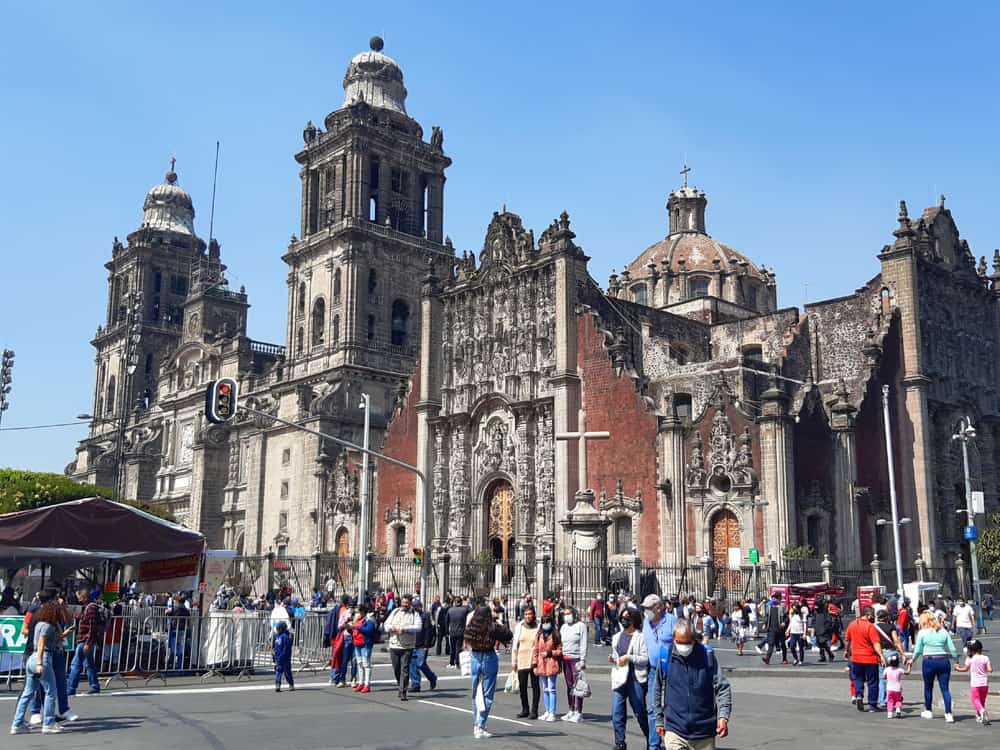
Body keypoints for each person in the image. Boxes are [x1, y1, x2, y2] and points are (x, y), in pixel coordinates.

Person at [653, 620, 732, 750]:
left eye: (688, 643)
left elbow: (723, 688)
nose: (684, 646)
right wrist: (659, 719)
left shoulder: (707, 656)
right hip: (675, 730)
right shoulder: (666, 656)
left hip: (704, 731)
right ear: (674, 639)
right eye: (680, 642)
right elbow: (657, 688)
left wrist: (723, 717)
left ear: (694, 639)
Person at [10, 601, 63, 734]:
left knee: (28, 692)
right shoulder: (48, 626)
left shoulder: (39, 624)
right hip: (42, 658)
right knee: (50, 691)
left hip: (32, 658)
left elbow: (55, 638)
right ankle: (48, 723)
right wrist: (40, 663)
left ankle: (17, 723)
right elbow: (41, 644)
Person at [465, 605, 512, 739]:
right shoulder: (492, 626)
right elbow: (508, 634)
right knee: (488, 693)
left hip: (474, 656)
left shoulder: (471, 626)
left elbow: (467, 640)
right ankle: (480, 724)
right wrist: (497, 621)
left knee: (476, 692)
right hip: (488, 656)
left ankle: (477, 723)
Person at [907, 610, 958, 722]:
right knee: (945, 688)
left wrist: (912, 660)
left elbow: (918, 650)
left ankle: (928, 711)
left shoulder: (922, 633)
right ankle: (948, 713)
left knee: (928, 687)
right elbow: (953, 649)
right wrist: (957, 661)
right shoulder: (943, 631)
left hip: (929, 661)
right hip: (943, 660)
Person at [641, 594, 677, 750]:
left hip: (672, 671)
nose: (646, 611)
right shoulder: (645, 624)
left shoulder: (672, 621)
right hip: (653, 671)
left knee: (672, 708)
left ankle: (674, 743)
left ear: (658, 608)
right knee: (652, 708)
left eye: (648, 608)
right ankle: (654, 745)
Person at [610, 607, 649, 750]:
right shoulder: (617, 636)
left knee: (640, 711)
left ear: (634, 620)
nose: (623, 620)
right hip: (620, 677)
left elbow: (645, 659)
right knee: (617, 712)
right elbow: (616, 655)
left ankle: (651, 739)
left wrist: (629, 658)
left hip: (635, 678)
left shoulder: (641, 637)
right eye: (622, 617)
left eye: (627, 617)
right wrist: (613, 659)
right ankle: (620, 742)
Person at [845, 605, 884, 713]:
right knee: (873, 682)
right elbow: (876, 643)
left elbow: (847, 640)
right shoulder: (870, 627)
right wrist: (881, 655)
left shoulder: (852, 625)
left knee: (858, 678)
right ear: (868, 615)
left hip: (856, 658)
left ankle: (858, 695)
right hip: (870, 658)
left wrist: (847, 651)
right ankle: (872, 705)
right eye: (872, 616)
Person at [382, 594, 422, 701]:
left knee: (405, 669)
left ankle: (403, 691)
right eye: (403, 603)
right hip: (394, 645)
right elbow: (386, 625)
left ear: (410, 604)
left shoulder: (415, 614)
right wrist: (393, 628)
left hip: (407, 646)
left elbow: (418, 627)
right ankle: (400, 685)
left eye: (407, 603)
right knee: (396, 669)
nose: (404, 605)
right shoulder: (395, 612)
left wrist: (405, 629)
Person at [67, 584, 105, 695]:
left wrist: (88, 643)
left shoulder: (91, 608)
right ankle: (94, 685)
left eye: (80, 596)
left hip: (85, 640)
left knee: (76, 664)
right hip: (86, 640)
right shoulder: (89, 607)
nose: (78, 598)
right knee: (89, 663)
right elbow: (87, 621)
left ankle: (71, 688)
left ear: (85, 597)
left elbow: (92, 626)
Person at [559, 604, 588, 722]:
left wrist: (583, 660)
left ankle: (578, 711)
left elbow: (584, 643)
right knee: (569, 685)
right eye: (565, 614)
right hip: (565, 658)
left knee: (578, 685)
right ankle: (571, 709)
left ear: (574, 614)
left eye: (569, 614)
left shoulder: (581, 626)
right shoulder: (563, 627)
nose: (567, 616)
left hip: (576, 659)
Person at [511, 605, 541, 719]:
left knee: (535, 686)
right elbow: (515, 645)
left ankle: (534, 710)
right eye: (526, 614)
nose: (528, 616)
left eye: (530, 614)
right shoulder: (519, 627)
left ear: (533, 614)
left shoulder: (539, 626)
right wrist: (514, 662)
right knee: (522, 687)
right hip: (521, 659)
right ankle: (525, 709)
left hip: (534, 660)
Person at [532, 613, 563, 722]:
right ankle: (547, 710)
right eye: (544, 622)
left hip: (551, 663)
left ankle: (552, 712)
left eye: (548, 622)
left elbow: (560, 650)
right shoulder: (539, 635)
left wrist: (549, 653)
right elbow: (535, 650)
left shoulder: (555, 635)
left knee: (552, 689)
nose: (546, 624)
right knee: (545, 689)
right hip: (541, 664)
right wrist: (534, 664)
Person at [955, 638, 992, 724]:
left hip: (975, 684)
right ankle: (979, 716)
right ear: (981, 648)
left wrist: (957, 668)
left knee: (975, 699)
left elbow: (965, 669)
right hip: (985, 683)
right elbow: (990, 669)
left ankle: (982, 711)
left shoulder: (970, 659)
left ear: (971, 650)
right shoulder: (986, 658)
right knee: (982, 700)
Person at [873, 609, 904, 709]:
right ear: (886, 617)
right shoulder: (891, 626)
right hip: (891, 652)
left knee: (882, 677)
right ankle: (893, 698)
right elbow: (896, 640)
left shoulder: (874, 627)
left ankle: (882, 700)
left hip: (880, 652)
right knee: (894, 676)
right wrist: (903, 653)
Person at [409, 597, 438, 692]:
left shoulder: (425, 616)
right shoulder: (410, 616)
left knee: (420, 664)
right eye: (414, 606)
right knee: (412, 664)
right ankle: (415, 684)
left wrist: (426, 645)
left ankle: (432, 677)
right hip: (411, 643)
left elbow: (428, 631)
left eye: (417, 606)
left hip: (421, 644)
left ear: (420, 606)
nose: (415, 608)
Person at [348, 604, 376, 693]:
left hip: (365, 644)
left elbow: (369, 630)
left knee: (366, 664)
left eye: (358, 612)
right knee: (359, 664)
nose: (357, 613)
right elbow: (354, 630)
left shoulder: (369, 619)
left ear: (363, 611)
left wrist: (357, 627)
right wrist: (349, 628)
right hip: (357, 643)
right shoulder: (357, 619)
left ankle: (367, 684)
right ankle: (361, 683)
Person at [761, 592, 788, 665]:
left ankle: (784, 659)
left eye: (776, 598)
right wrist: (764, 624)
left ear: (780, 599)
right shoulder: (769, 607)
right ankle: (767, 658)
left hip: (780, 629)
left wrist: (784, 623)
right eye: (774, 598)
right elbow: (767, 617)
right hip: (771, 629)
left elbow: (786, 617)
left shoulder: (783, 607)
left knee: (782, 644)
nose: (774, 599)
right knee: (771, 644)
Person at [446, 596, 470, 668]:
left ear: (454, 602)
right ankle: (457, 662)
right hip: (461, 631)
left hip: (452, 631)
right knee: (458, 648)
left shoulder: (450, 610)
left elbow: (446, 621)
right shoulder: (465, 610)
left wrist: (447, 631)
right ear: (461, 602)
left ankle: (451, 662)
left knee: (452, 648)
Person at [273, 621, 295, 692]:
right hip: (278, 657)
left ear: (282, 629)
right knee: (278, 672)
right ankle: (278, 684)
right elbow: (275, 646)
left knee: (287, 672)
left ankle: (291, 684)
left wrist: (282, 656)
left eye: (278, 628)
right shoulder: (276, 636)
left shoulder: (285, 637)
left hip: (285, 658)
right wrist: (274, 655)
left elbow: (286, 648)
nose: (277, 630)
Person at [813, 598, 835, 662]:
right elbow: (814, 621)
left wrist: (825, 629)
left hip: (823, 630)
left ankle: (830, 654)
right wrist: (815, 627)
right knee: (820, 644)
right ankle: (823, 657)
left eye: (817, 606)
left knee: (823, 643)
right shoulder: (816, 612)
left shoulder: (825, 612)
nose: (816, 608)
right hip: (818, 630)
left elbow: (828, 622)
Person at [883, 652, 904, 718]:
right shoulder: (900, 670)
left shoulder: (887, 669)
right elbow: (907, 672)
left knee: (890, 701)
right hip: (898, 688)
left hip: (889, 688)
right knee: (898, 700)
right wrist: (909, 666)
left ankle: (890, 713)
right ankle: (898, 710)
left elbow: (884, 677)